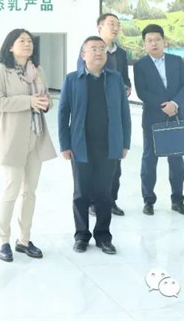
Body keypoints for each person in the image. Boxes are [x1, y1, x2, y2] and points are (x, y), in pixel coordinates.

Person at [59, 36, 131, 255]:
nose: (99, 52)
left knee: (104, 194)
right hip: (80, 145)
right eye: (93, 49)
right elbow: (63, 114)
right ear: (83, 55)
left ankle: (103, 237)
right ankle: (81, 235)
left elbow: (124, 113)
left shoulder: (115, 79)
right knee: (81, 193)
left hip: (109, 145)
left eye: (102, 49)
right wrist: (65, 145)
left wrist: (125, 142)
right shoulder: (72, 79)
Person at [0, 29, 57, 262]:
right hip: (12, 138)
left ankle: (24, 240)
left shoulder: (37, 70)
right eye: (22, 41)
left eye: (30, 41)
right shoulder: (2, 71)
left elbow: (47, 98)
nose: (28, 44)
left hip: (36, 136)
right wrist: (28, 101)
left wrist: (45, 103)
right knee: (11, 190)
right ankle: (3, 240)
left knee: (29, 192)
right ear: (10, 46)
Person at [133, 24, 184, 216]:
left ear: (164, 42)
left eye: (157, 39)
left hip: (176, 116)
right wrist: (163, 105)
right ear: (144, 44)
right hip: (153, 118)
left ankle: (178, 201)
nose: (154, 43)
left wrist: (174, 103)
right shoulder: (140, 65)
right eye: (149, 40)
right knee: (150, 160)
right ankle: (148, 201)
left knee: (177, 161)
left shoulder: (176, 61)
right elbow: (142, 92)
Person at [79, 13, 132, 217]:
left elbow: (124, 78)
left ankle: (111, 200)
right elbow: (82, 78)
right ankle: (94, 202)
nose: (115, 28)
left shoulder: (121, 53)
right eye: (111, 24)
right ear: (99, 27)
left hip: (114, 116)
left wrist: (127, 87)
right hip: (94, 115)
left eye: (118, 25)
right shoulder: (89, 49)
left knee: (114, 164)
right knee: (94, 162)